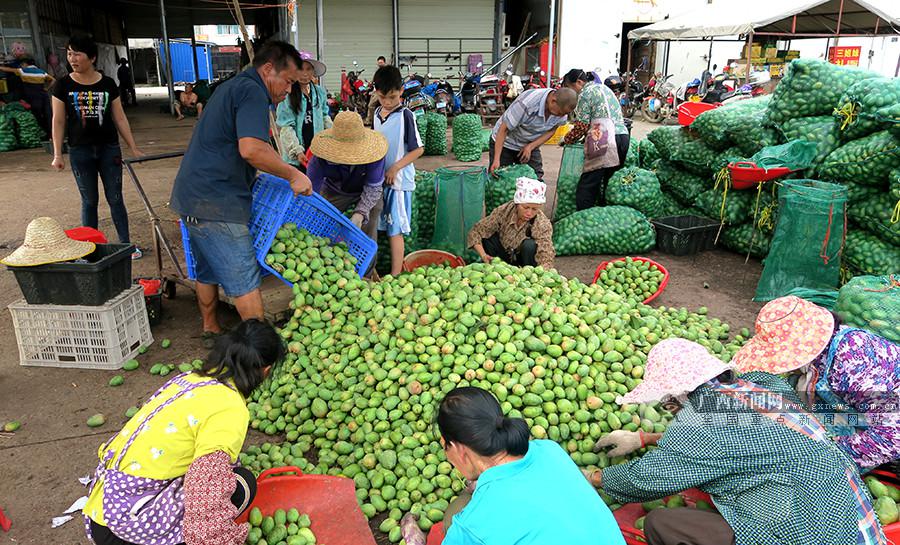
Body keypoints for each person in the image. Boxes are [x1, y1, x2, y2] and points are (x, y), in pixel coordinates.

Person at [586, 338, 886, 545]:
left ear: (679, 392)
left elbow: (648, 480)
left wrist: (593, 477)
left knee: (661, 524)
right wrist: (644, 438)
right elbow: (742, 441)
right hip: (855, 521)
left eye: (668, 401)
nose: (669, 408)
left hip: (810, 532)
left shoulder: (702, 418)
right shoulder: (760, 386)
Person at [82, 319, 284, 545]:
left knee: (221, 473)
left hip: (103, 509)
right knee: (243, 483)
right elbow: (205, 485)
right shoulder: (231, 407)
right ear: (265, 371)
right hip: (126, 530)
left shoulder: (189, 379)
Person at [169, 40, 312, 343]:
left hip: (193, 196)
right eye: (287, 81)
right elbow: (251, 150)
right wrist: (293, 174)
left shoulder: (233, 86)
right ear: (268, 69)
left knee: (206, 267)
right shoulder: (252, 91)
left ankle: (211, 328)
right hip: (216, 201)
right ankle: (262, 352)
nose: (288, 90)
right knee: (243, 276)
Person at [403, 386, 625, 545]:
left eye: (445, 447)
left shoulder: (471, 526)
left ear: (459, 449)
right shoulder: (549, 448)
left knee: (452, 516)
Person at [732, 295, 900, 471]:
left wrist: (831, 456)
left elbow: (893, 435)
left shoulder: (852, 366)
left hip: (892, 425)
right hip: (878, 409)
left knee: (819, 447)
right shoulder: (828, 351)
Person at [50, 35, 143, 259]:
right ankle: (90, 248)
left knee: (116, 198)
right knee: (89, 200)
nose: (72, 58)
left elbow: (119, 118)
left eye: (77, 53)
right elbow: (58, 120)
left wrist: (133, 147)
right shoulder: (62, 85)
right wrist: (57, 154)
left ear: (91, 57)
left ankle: (126, 245)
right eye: (69, 53)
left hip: (108, 149)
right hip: (80, 151)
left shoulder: (108, 83)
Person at [372, 64, 424, 276]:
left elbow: (418, 149)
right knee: (379, 226)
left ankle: (395, 275)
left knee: (395, 230)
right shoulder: (376, 113)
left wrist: (395, 167)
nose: (388, 102)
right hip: (379, 180)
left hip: (399, 181)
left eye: (393, 97)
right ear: (376, 92)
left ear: (401, 91)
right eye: (383, 97)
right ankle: (374, 270)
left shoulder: (406, 116)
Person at [307, 111, 388, 241]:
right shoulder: (319, 160)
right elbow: (312, 194)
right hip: (335, 190)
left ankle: (367, 255)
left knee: (372, 214)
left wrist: (360, 213)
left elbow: (373, 187)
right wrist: (314, 209)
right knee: (321, 218)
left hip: (365, 190)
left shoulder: (374, 155)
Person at [561, 69, 630, 210]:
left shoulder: (584, 94)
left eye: (569, 87)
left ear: (579, 83)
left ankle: (584, 219)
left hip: (603, 138)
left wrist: (567, 139)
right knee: (610, 184)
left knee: (588, 185)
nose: (570, 92)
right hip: (623, 137)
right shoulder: (604, 88)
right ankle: (609, 219)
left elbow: (581, 126)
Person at [488, 87, 576, 180]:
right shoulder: (527, 103)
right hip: (505, 142)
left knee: (535, 177)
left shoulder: (562, 110)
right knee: (501, 179)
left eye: (564, 114)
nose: (561, 116)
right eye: (560, 113)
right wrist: (497, 159)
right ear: (553, 101)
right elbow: (503, 129)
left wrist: (531, 146)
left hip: (529, 142)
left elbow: (552, 130)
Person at [467, 177, 554, 269]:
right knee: (488, 237)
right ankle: (491, 267)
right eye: (525, 207)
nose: (529, 213)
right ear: (517, 204)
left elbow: (546, 251)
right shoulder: (504, 211)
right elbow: (477, 231)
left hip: (524, 261)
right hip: (503, 254)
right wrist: (483, 255)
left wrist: (542, 272)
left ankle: (526, 273)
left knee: (529, 245)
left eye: (534, 209)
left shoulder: (542, 223)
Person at [275, 51, 329, 173]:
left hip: (316, 152)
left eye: (308, 69)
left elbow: (325, 117)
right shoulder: (287, 95)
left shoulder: (319, 92)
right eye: (300, 69)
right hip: (297, 158)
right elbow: (286, 127)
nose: (304, 74)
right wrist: (297, 151)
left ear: (313, 72)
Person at [0, 56, 54, 135]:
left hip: (34, 97)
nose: (21, 66)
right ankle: (51, 134)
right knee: (48, 115)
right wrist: (46, 88)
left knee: (37, 115)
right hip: (44, 95)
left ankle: (44, 133)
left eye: (21, 64)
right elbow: (53, 80)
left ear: (25, 64)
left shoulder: (23, 71)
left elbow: (7, 70)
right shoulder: (41, 72)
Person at [365, 55, 388, 126]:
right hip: (377, 90)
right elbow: (373, 81)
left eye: (381, 62)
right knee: (370, 105)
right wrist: (370, 83)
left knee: (371, 105)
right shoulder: (377, 72)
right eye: (379, 63)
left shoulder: (387, 71)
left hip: (383, 91)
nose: (380, 64)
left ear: (384, 62)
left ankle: (370, 120)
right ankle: (371, 120)